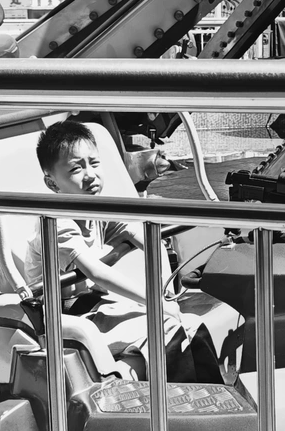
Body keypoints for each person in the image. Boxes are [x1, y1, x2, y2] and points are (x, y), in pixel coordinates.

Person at [24, 120, 222, 383]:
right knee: (166, 327)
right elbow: (97, 273)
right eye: (76, 169)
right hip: (66, 318)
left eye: (94, 163)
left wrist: (164, 291)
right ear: (52, 183)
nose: (90, 175)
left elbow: (147, 240)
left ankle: (216, 397)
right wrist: (155, 302)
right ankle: (177, 403)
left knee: (192, 325)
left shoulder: (95, 209)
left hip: (97, 307)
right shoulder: (56, 221)